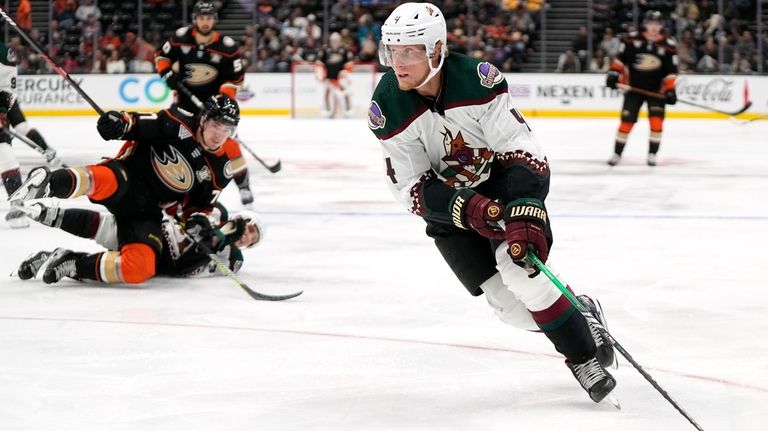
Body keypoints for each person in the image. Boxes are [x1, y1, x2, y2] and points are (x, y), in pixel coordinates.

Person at [368, 2, 617, 404]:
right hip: (453, 210)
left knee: (523, 274)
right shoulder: (388, 105)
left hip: (502, 187)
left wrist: (522, 204)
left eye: (410, 50)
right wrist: (467, 208)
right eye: (393, 51)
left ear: (436, 50)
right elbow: (411, 186)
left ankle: (582, 357)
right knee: (509, 309)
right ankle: (580, 308)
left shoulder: (478, 82)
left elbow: (519, 147)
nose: (399, 61)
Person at [8, 94, 245, 285]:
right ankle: (48, 183)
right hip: (128, 177)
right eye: (216, 125)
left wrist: (197, 219)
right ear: (203, 119)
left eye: (227, 130)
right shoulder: (178, 123)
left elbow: (200, 206)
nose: (219, 135)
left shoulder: (220, 169)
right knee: (103, 180)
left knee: (140, 268)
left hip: (147, 210)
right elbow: (139, 124)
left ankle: (71, 262)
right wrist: (119, 124)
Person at [154, 1, 254, 205]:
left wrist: (219, 102)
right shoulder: (181, 37)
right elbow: (162, 56)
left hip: (214, 110)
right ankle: (168, 185)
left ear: (214, 20)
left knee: (229, 145)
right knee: (171, 140)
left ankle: (243, 186)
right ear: (195, 19)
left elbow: (235, 80)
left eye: (209, 18)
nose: (205, 22)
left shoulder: (227, 46)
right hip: (183, 105)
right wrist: (165, 74)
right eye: (201, 17)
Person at [16, 201, 265, 282]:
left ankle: (65, 259)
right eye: (249, 229)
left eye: (251, 240)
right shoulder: (215, 209)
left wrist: (218, 242)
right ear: (240, 218)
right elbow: (185, 212)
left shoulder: (231, 259)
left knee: (122, 267)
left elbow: (185, 269)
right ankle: (52, 214)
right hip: (152, 230)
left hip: (157, 260)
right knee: (107, 228)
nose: (247, 237)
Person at [605, 10, 678, 167]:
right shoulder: (631, 40)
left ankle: (652, 154)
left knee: (656, 123)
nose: (653, 27)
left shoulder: (669, 45)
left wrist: (671, 90)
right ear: (645, 24)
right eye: (651, 23)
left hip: (657, 92)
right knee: (626, 122)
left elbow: (671, 72)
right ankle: (617, 154)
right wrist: (613, 74)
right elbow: (620, 60)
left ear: (661, 26)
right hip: (633, 89)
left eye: (657, 24)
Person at [0, 41, 65, 169]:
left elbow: (7, 80)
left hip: (4, 97)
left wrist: (2, 110)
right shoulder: (4, 51)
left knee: (15, 131)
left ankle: (9, 163)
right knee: (15, 132)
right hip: (7, 96)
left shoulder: (3, 52)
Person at [315, 32, 355, 117]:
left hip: (340, 78)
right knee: (327, 93)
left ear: (340, 40)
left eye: (337, 40)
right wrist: (320, 73)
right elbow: (319, 62)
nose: (335, 42)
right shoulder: (325, 50)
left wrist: (345, 71)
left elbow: (350, 62)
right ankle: (328, 110)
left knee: (344, 93)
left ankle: (347, 110)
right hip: (328, 77)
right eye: (333, 40)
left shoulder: (344, 50)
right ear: (330, 41)